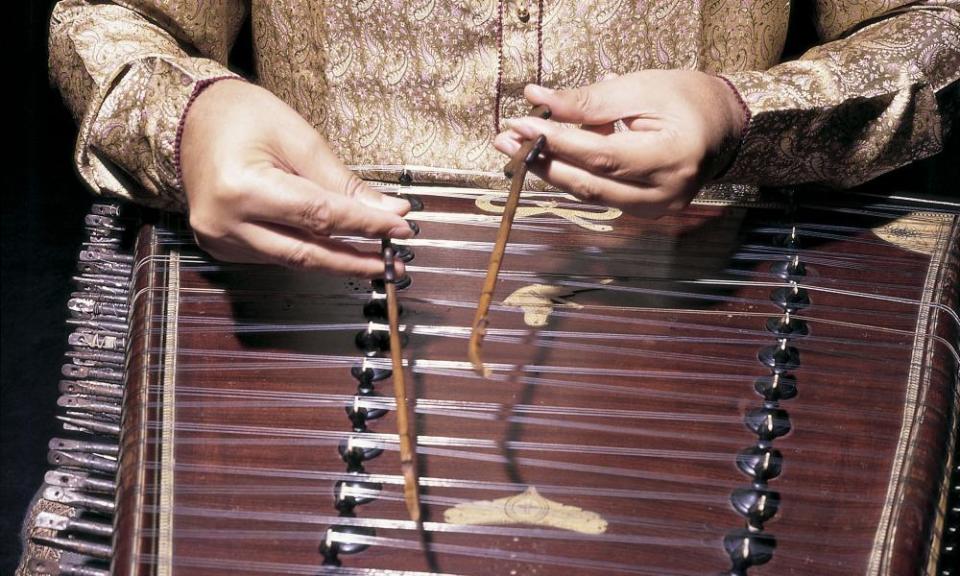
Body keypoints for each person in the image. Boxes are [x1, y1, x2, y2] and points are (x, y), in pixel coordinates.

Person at [48, 1, 959, 277]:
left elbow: (932, 25)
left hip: (686, 304)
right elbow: (116, 17)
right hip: (323, 292)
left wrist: (745, 114)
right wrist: (191, 116)